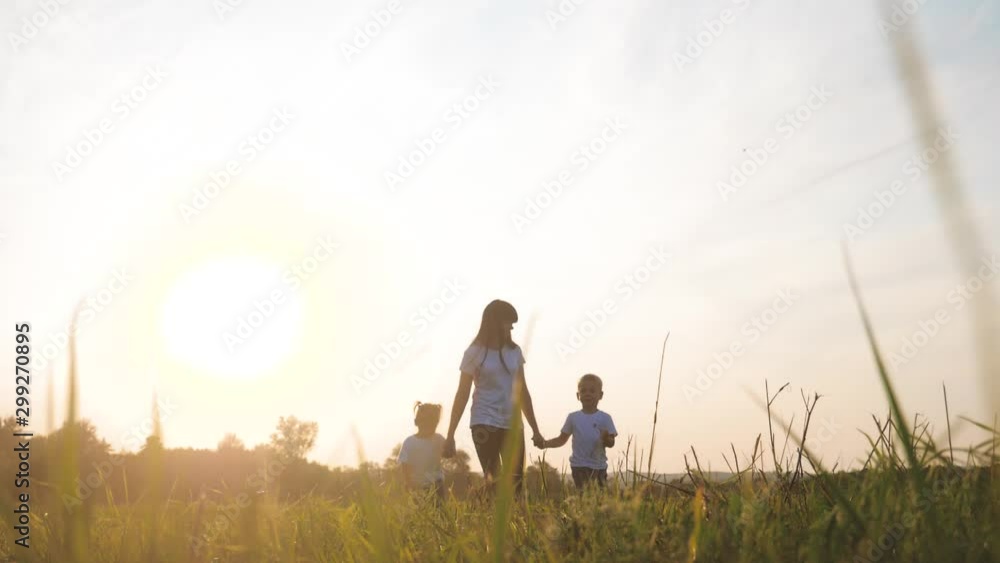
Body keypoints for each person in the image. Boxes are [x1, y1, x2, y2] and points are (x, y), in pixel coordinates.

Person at [443, 299, 544, 494]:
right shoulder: (474, 352)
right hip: (484, 422)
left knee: (516, 483)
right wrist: (450, 435)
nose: (511, 328)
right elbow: (462, 394)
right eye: (508, 323)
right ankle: (490, 521)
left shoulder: (514, 352)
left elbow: (522, 391)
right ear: (495, 322)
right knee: (494, 479)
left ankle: (511, 521)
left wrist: (535, 429)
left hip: (513, 424)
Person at [539, 374, 617, 490]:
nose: (587, 394)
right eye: (583, 391)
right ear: (578, 395)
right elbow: (561, 439)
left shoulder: (605, 418)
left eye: (592, 391)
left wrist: (606, 438)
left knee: (599, 496)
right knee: (584, 494)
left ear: (600, 395)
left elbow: (611, 443)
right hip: (579, 465)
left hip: (599, 466)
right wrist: (545, 444)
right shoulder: (573, 417)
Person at [397, 402, 446, 501]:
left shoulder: (439, 439)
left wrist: (450, 443)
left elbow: (449, 453)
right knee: (420, 513)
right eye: (427, 423)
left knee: (440, 513)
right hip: (417, 487)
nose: (430, 427)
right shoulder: (409, 442)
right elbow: (405, 466)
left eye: (433, 424)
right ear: (417, 422)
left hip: (437, 486)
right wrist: (408, 483)